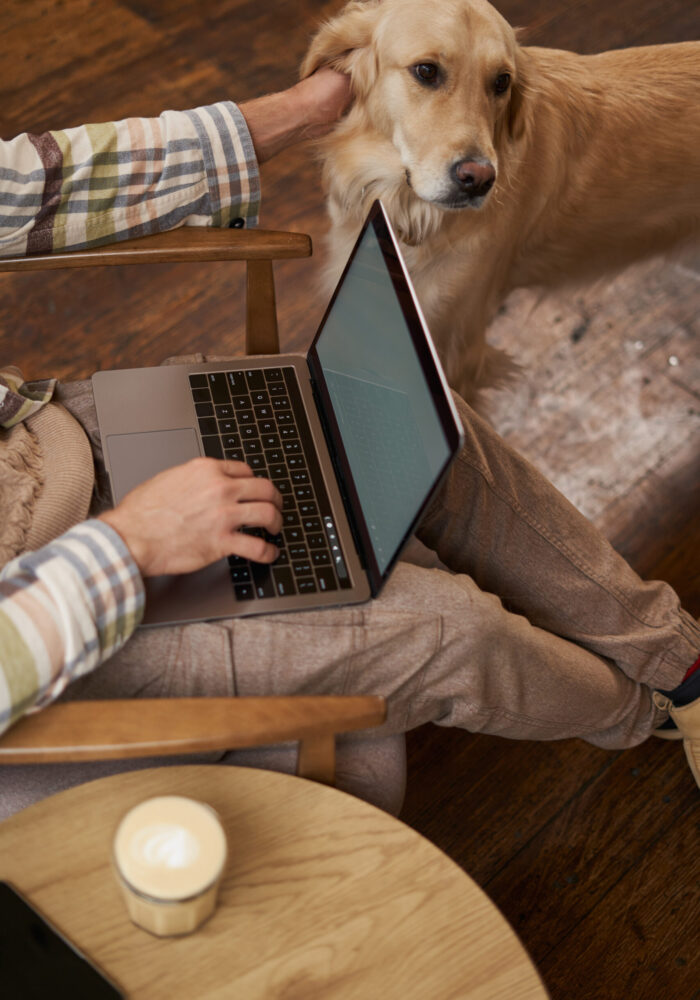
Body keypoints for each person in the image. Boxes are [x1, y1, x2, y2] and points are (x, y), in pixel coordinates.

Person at [1, 71, 698, 819]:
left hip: (40, 441)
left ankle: (679, 662)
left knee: (414, 414)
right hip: (48, 634)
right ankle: (637, 714)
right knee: (451, 632)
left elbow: (22, 186)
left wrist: (296, 112)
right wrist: (131, 543)